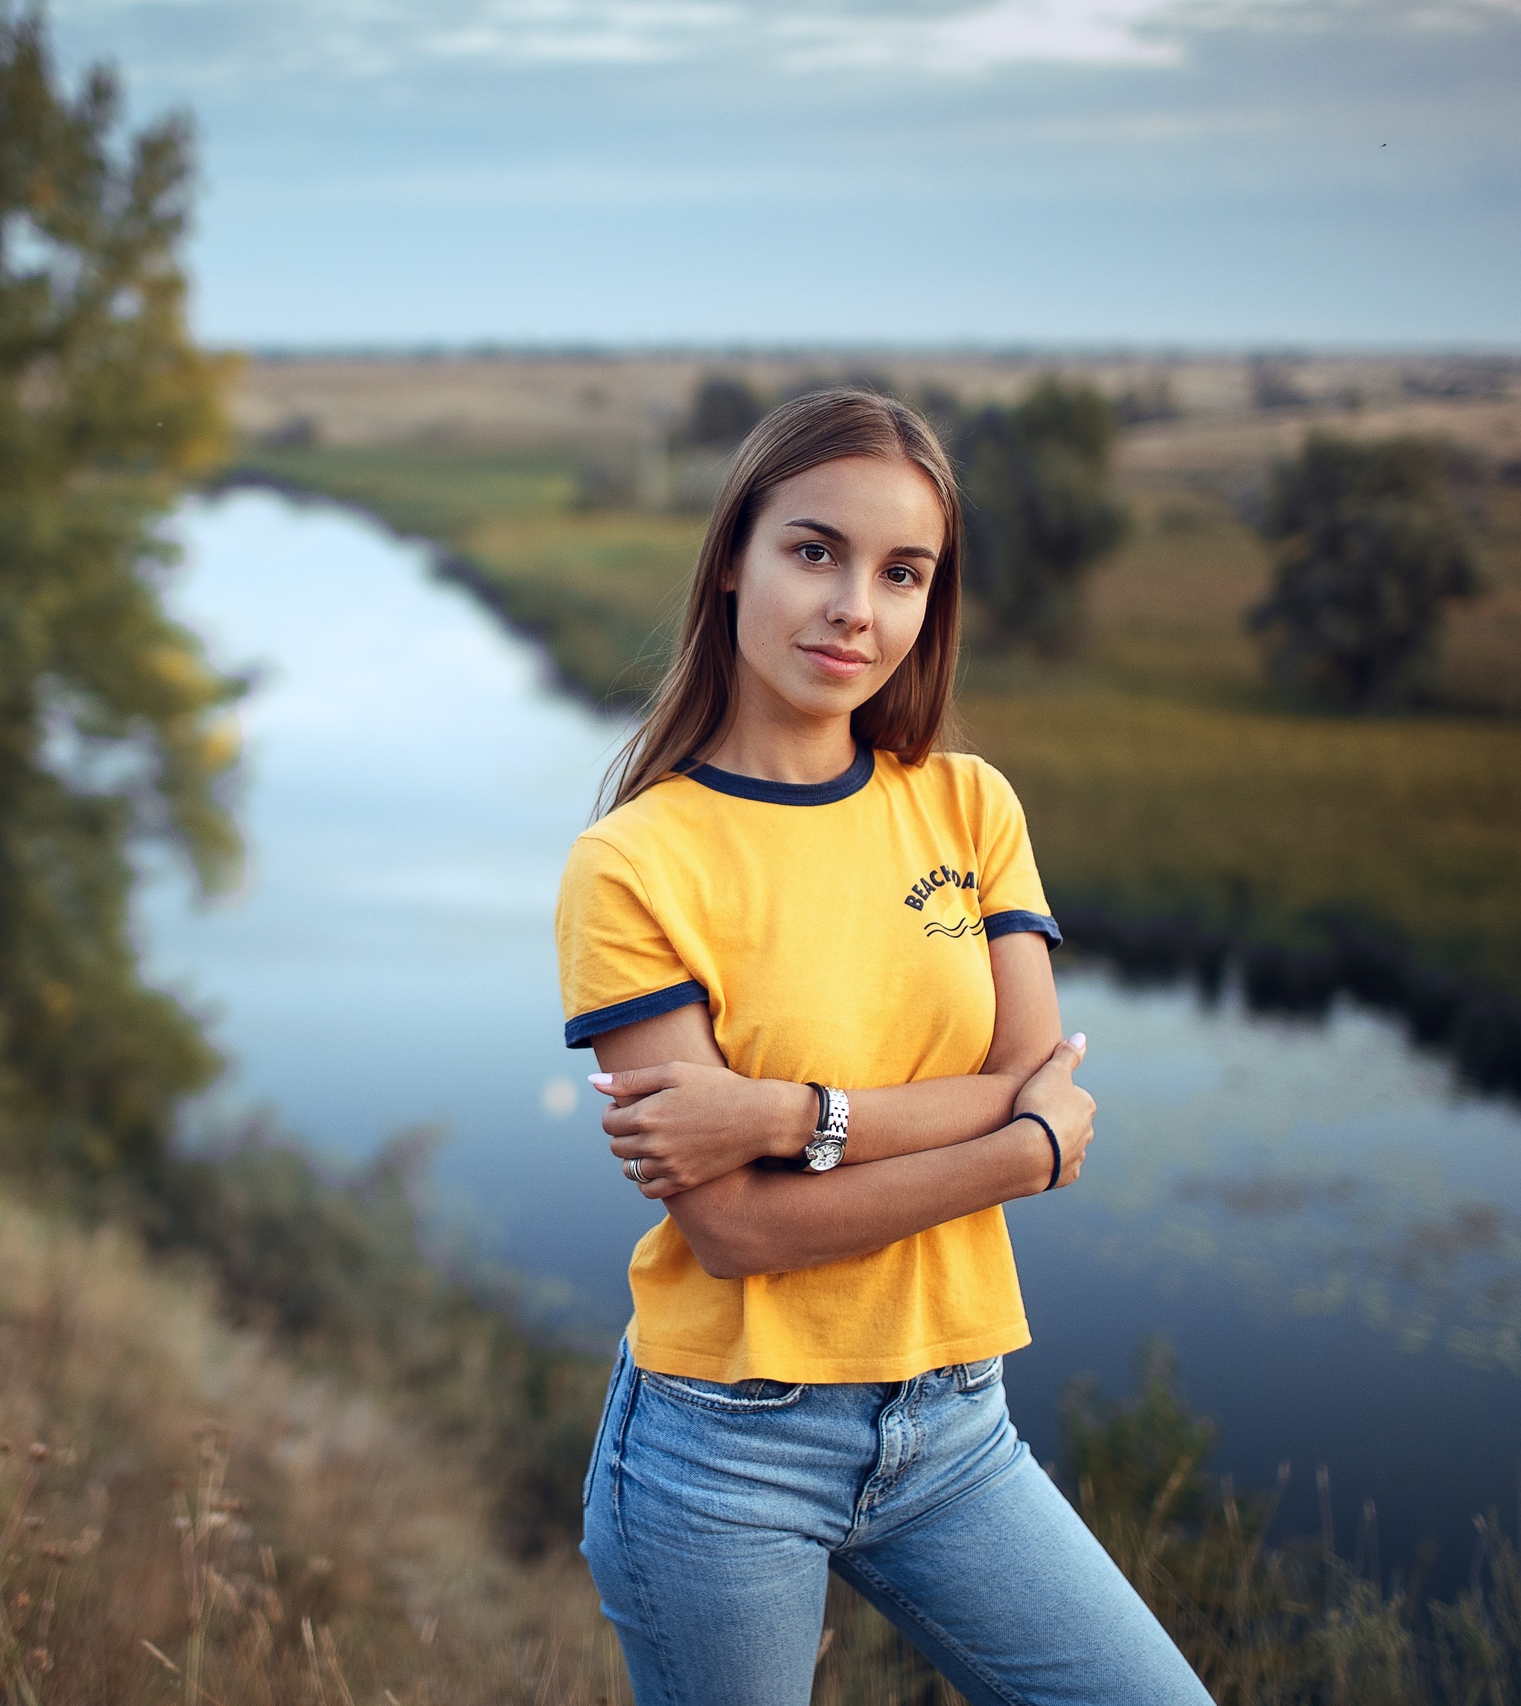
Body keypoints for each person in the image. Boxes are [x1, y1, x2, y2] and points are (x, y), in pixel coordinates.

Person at [554, 388, 1211, 1706]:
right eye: (816, 551)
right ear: (733, 555)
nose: (856, 605)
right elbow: (739, 1232)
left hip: (957, 1424)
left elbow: (1033, 1073)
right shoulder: (634, 863)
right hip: (725, 1448)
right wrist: (1020, 1154)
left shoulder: (969, 805)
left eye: (901, 572)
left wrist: (785, 1114)